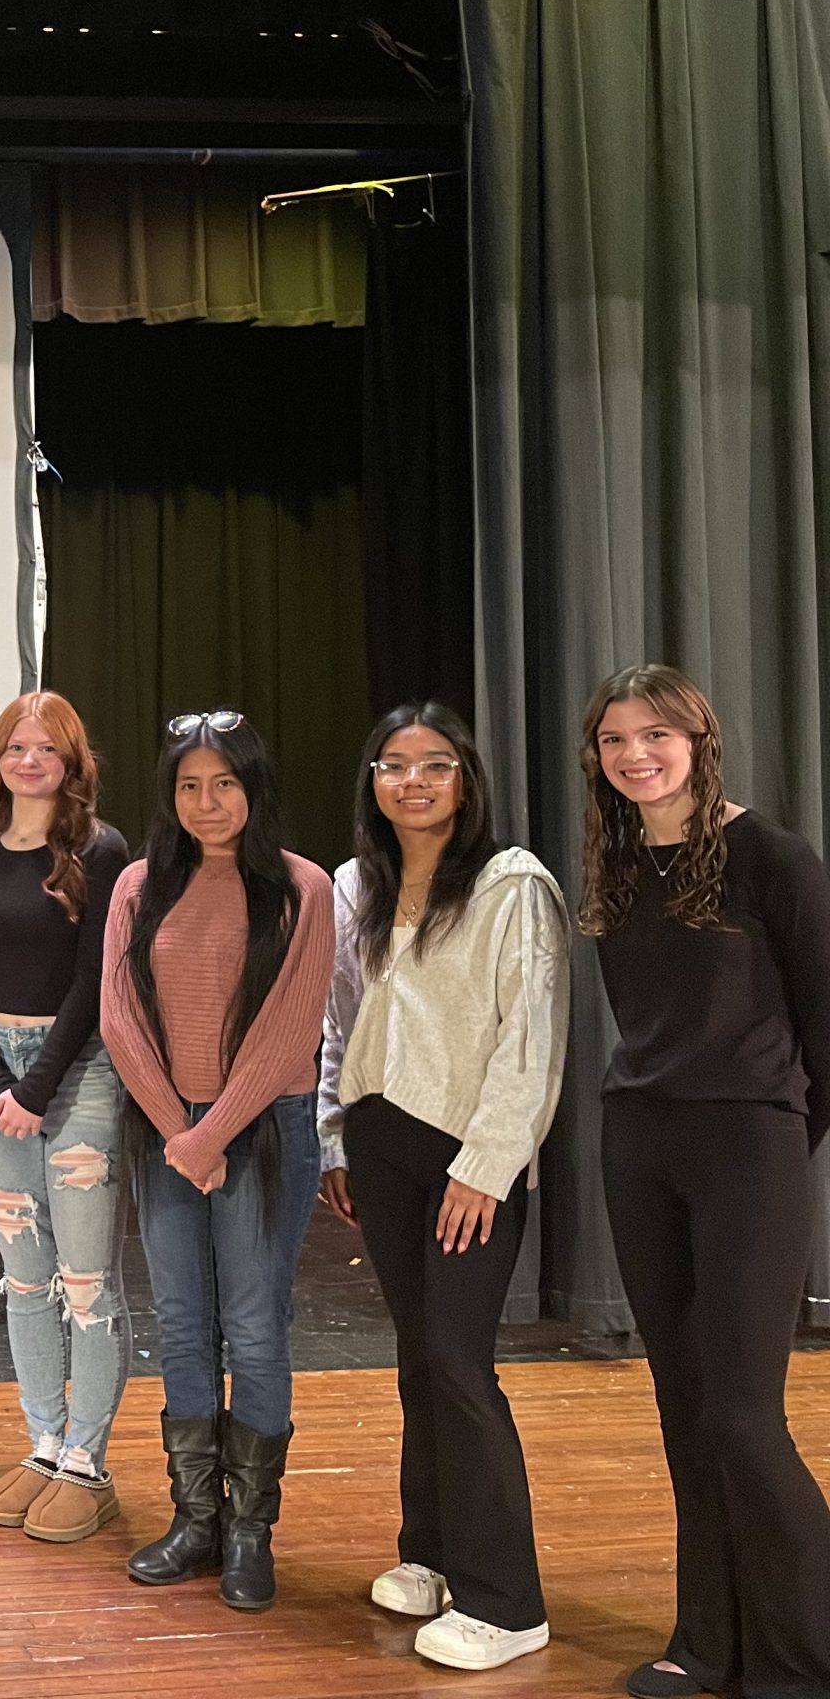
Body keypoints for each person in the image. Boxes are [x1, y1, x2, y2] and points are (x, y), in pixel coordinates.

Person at [578, 665, 830, 1699]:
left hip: (746, 1153)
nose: (635, 755)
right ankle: (707, 1643)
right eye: (612, 741)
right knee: (684, 1409)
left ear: (697, 739)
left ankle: (801, 1655)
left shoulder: (771, 857)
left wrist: (771, 1142)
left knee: (742, 1416)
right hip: (639, 1147)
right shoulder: (617, 862)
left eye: (655, 736)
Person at [317, 702, 567, 1672]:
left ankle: (507, 1601)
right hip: (378, 1143)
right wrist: (333, 1136)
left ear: (465, 779)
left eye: (433, 765)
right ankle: (428, 1550)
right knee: (419, 1358)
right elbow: (341, 1021)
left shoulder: (513, 885)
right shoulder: (354, 885)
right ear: (371, 782)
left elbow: (531, 1034)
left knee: (461, 1363)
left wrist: (488, 1165)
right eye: (392, 765)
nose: (411, 782)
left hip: (471, 1156)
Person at [101, 710, 332, 1612]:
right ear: (170, 794)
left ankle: (249, 1532)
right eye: (190, 786)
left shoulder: (302, 889)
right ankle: (195, 1521)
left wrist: (207, 1136)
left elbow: (286, 1034)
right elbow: (120, 1019)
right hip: (169, 1134)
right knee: (185, 1327)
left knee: (256, 1325)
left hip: (264, 1130)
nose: (207, 802)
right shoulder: (134, 887)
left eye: (224, 784)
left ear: (253, 788)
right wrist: (176, 1129)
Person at [0, 689, 131, 1539]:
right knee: (23, 1277)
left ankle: (88, 1458)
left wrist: (38, 1087)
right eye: (16, 747)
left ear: (70, 762)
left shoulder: (98, 848)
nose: (29, 762)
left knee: (85, 1280)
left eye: (45, 750)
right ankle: (43, 1443)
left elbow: (97, 981)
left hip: (77, 1071)